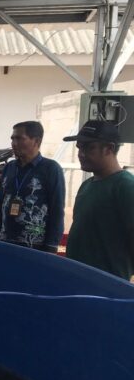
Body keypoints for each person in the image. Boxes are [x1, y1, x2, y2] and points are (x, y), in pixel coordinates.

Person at [65, 120, 134, 280]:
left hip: (106, 284)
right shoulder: (86, 185)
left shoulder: (125, 186)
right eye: (79, 147)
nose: (81, 154)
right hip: (76, 277)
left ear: (109, 148)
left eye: (89, 148)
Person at [0, 121, 65, 252]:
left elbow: (57, 210)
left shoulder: (51, 169)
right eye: (12, 139)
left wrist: (51, 247)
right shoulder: (9, 167)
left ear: (36, 141)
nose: (14, 143)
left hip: (35, 246)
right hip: (4, 242)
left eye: (19, 138)